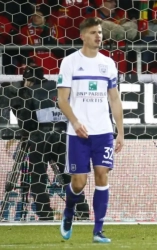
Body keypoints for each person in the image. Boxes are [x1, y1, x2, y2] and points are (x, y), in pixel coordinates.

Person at [57, 17, 124, 243]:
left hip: (103, 131)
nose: (99, 36)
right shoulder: (70, 62)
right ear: (83, 36)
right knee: (79, 182)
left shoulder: (108, 63)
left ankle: (98, 230)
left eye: (100, 32)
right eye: (94, 32)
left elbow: (114, 99)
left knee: (102, 175)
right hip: (78, 133)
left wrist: (121, 131)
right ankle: (69, 212)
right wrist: (75, 122)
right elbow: (62, 100)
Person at [0, 65, 90, 220]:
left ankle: (44, 213)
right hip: (63, 136)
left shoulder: (28, 91)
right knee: (69, 176)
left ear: (28, 79)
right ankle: (82, 211)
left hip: (39, 138)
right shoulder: (58, 88)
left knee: (38, 176)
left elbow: (26, 121)